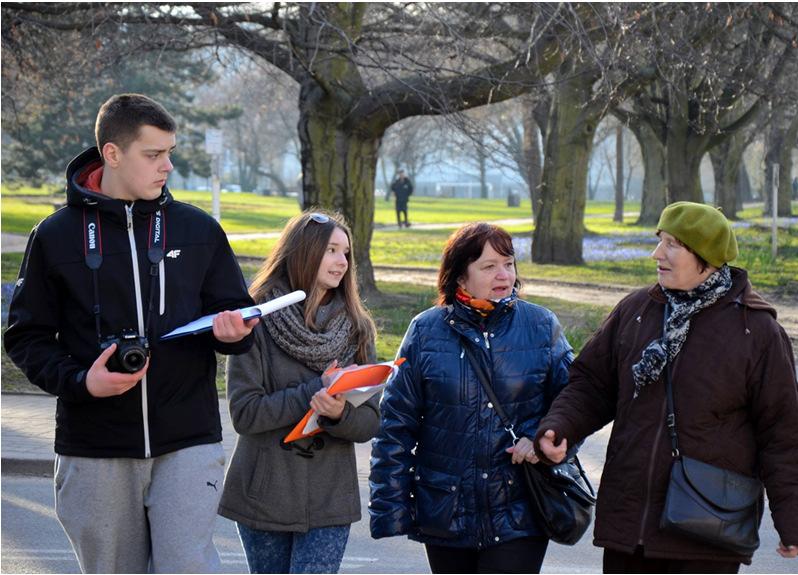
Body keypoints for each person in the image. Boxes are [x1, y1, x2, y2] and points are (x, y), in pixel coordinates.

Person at [3, 93, 257, 573]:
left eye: (170, 153)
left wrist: (234, 332)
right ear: (113, 154)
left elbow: (237, 316)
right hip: (95, 445)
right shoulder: (55, 236)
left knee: (188, 567)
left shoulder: (198, 229)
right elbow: (25, 337)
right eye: (154, 154)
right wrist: (82, 382)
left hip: (188, 440)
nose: (168, 166)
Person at [534, 202, 798, 574]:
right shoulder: (637, 310)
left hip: (706, 531)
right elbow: (591, 384)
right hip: (629, 526)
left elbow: (783, 433)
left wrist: (793, 521)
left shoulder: (757, 332)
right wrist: (560, 427)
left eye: (672, 245)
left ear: (706, 256)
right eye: (659, 241)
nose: (657, 254)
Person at [369, 222, 574, 574]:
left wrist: (541, 439)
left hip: (519, 508)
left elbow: (575, 403)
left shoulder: (542, 325)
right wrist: (390, 507)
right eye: (489, 266)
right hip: (446, 510)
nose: (503, 274)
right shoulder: (425, 329)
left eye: (508, 263)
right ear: (460, 277)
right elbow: (395, 423)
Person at [219, 210, 379, 574]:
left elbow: (371, 421)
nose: (342, 262)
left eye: (346, 253)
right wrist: (314, 390)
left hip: (329, 495)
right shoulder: (255, 319)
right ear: (303, 252)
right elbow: (245, 414)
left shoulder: (356, 328)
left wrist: (338, 414)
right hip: (265, 492)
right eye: (331, 251)